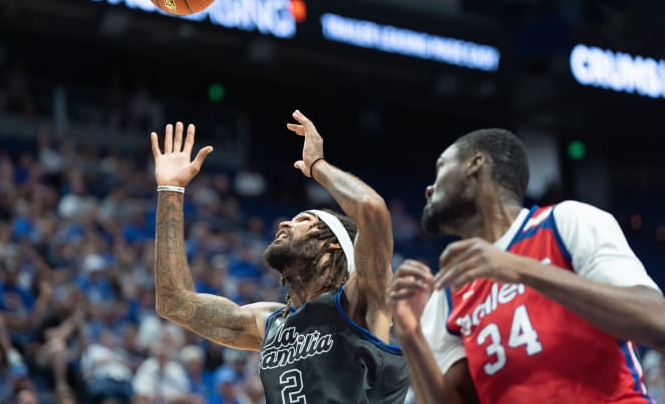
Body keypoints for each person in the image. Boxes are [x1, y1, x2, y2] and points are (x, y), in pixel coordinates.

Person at [387, 128, 665, 404]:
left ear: (475, 164)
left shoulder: (566, 222)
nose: (429, 188)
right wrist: (411, 336)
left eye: (441, 168)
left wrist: (521, 268)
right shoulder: (448, 290)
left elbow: (657, 322)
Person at [149, 110, 409, 403]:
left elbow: (372, 211)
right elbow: (174, 302)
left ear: (333, 246)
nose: (285, 223)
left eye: (304, 221)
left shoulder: (360, 300)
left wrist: (317, 166)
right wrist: (170, 189)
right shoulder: (268, 323)